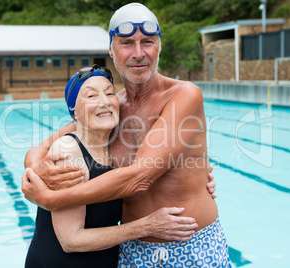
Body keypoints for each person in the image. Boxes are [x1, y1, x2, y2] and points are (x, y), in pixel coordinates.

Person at [22, 2, 231, 267]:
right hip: (132, 251)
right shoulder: (111, 109)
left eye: (147, 42)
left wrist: (49, 198)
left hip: (192, 247)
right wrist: (37, 171)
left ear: (159, 46)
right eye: (127, 43)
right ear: (111, 49)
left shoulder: (183, 94)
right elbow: (37, 150)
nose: (138, 53)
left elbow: (141, 175)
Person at [25, 65, 198, 268]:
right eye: (91, 96)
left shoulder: (114, 145)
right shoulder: (68, 151)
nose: (104, 101)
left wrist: (198, 175)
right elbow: (71, 240)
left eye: (110, 93)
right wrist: (146, 226)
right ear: (74, 111)